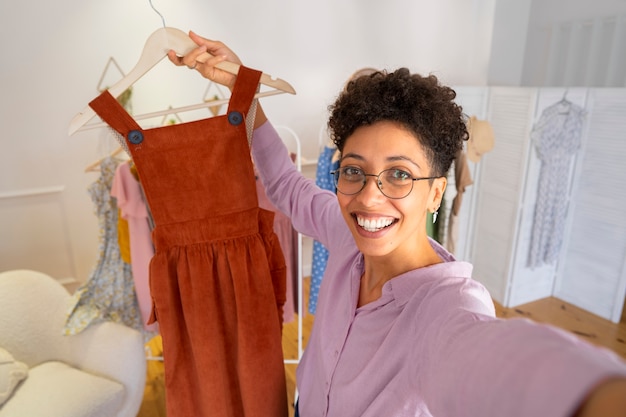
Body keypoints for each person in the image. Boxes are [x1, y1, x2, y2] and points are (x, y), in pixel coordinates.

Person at [168, 31, 626, 417]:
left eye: (400, 174)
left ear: (435, 192)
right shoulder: (347, 235)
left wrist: (597, 395)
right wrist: (244, 92)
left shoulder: (444, 311)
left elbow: (498, 364)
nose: (369, 196)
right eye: (354, 170)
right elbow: (286, 184)